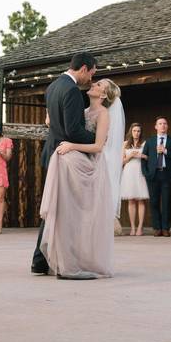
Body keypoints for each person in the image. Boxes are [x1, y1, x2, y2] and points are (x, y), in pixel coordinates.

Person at [39, 78, 121, 279]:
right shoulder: (83, 111)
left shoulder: (103, 115)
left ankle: (85, 261)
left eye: (99, 85)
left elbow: (98, 147)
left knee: (86, 218)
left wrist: (71, 146)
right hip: (75, 164)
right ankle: (66, 258)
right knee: (72, 216)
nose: (94, 84)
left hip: (91, 166)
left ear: (103, 95)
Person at [32, 52, 99, 275]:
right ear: (83, 69)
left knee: (53, 207)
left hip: (52, 152)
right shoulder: (72, 91)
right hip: (65, 158)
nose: (91, 78)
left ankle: (39, 261)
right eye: (91, 73)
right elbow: (73, 130)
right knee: (65, 210)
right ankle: (60, 260)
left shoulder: (53, 87)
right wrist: (98, 138)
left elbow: (54, 123)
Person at [143, 117, 171, 237]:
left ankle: (165, 228)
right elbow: (144, 159)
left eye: (165, 123)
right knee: (154, 202)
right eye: (160, 124)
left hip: (166, 174)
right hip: (153, 175)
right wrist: (146, 173)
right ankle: (156, 227)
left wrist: (165, 151)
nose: (163, 125)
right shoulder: (149, 142)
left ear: (167, 126)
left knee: (166, 202)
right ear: (156, 126)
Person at [120, 122, 149, 236]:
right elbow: (121, 162)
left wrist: (142, 156)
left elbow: (149, 157)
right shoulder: (125, 144)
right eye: (134, 131)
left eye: (138, 131)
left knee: (141, 200)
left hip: (140, 172)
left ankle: (140, 228)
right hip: (128, 172)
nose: (136, 133)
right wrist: (130, 156)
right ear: (131, 132)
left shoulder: (145, 144)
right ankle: (132, 227)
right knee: (131, 200)